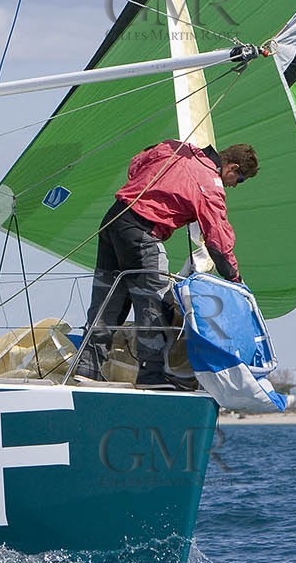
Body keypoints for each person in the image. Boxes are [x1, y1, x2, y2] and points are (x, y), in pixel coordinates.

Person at [79, 141, 258, 389]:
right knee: (154, 303)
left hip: (114, 220)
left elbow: (137, 162)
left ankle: (87, 368)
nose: (234, 186)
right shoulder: (210, 183)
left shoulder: (174, 148)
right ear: (231, 168)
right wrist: (236, 281)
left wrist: (160, 189)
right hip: (142, 231)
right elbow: (218, 241)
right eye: (239, 180)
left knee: (108, 301)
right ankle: (150, 375)